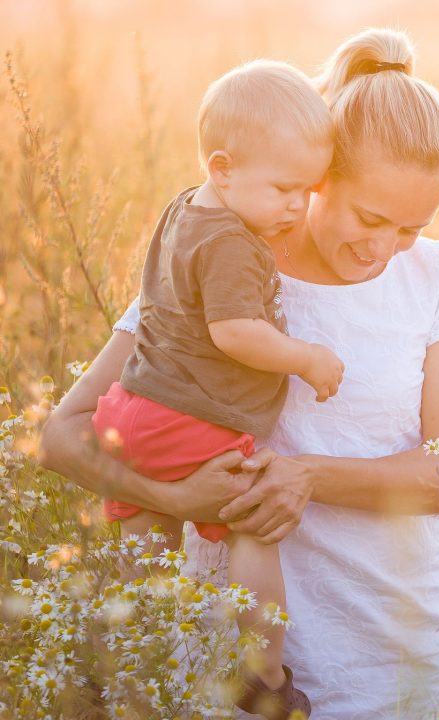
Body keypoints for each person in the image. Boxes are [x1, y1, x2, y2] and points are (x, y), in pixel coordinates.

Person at [40, 28, 439, 719]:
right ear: (317, 177)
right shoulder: (224, 261)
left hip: (396, 667)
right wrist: (175, 500)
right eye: (370, 217)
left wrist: (307, 475)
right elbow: (63, 434)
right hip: (227, 674)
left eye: (410, 229)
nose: (385, 248)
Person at [90, 59, 344, 719]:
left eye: (308, 191)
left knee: (144, 536)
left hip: (133, 408)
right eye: (286, 189)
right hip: (193, 419)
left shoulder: (187, 209)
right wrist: (307, 358)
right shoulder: (235, 242)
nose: (298, 205)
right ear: (223, 167)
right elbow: (236, 331)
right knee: (254, 522)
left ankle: (130, 655)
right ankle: (264, 676)